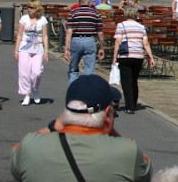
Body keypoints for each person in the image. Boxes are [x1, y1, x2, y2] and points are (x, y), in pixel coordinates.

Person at [10, 74, 151, 182]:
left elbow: (16, 165)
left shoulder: (30, 147)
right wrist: (109, 127)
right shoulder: (128, 152)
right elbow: (144, 174)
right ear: (108, 114)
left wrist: (54, 126)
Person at [112, 4, 156, 114]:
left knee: (126, 81)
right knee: (133, 80)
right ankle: (133, 102)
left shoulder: (121, 25)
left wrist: (114, 57)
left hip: (125, 55)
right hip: (138, 56)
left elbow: (118, 42)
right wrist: (151, 57)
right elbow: (145, 43)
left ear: (125, 14)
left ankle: (129, 106)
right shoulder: (141, 27)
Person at [65, 0, 105, 83]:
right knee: (89, 70)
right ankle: (88, 92)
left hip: (76, 39)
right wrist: (102, 47)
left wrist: (67, 48)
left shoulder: (73, 13)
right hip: (89, 40)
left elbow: (69, 31)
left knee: (73, 69)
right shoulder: (95, 13)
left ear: (79, 1)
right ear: (88, 1)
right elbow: (100, 32)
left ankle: (73, 90)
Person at [15, 0, 49, 106]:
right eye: (28, 7)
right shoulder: (24, 19)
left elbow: (45, 36)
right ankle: (27, 94)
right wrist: (16, 50)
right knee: (24, 73)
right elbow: (19, 35)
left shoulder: (42, 20)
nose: (29, 9)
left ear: (37, 9)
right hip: (24, 48)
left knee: (37, 73)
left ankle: (35, 89)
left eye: (31, 7)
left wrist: (46, 51)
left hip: (38, 49)